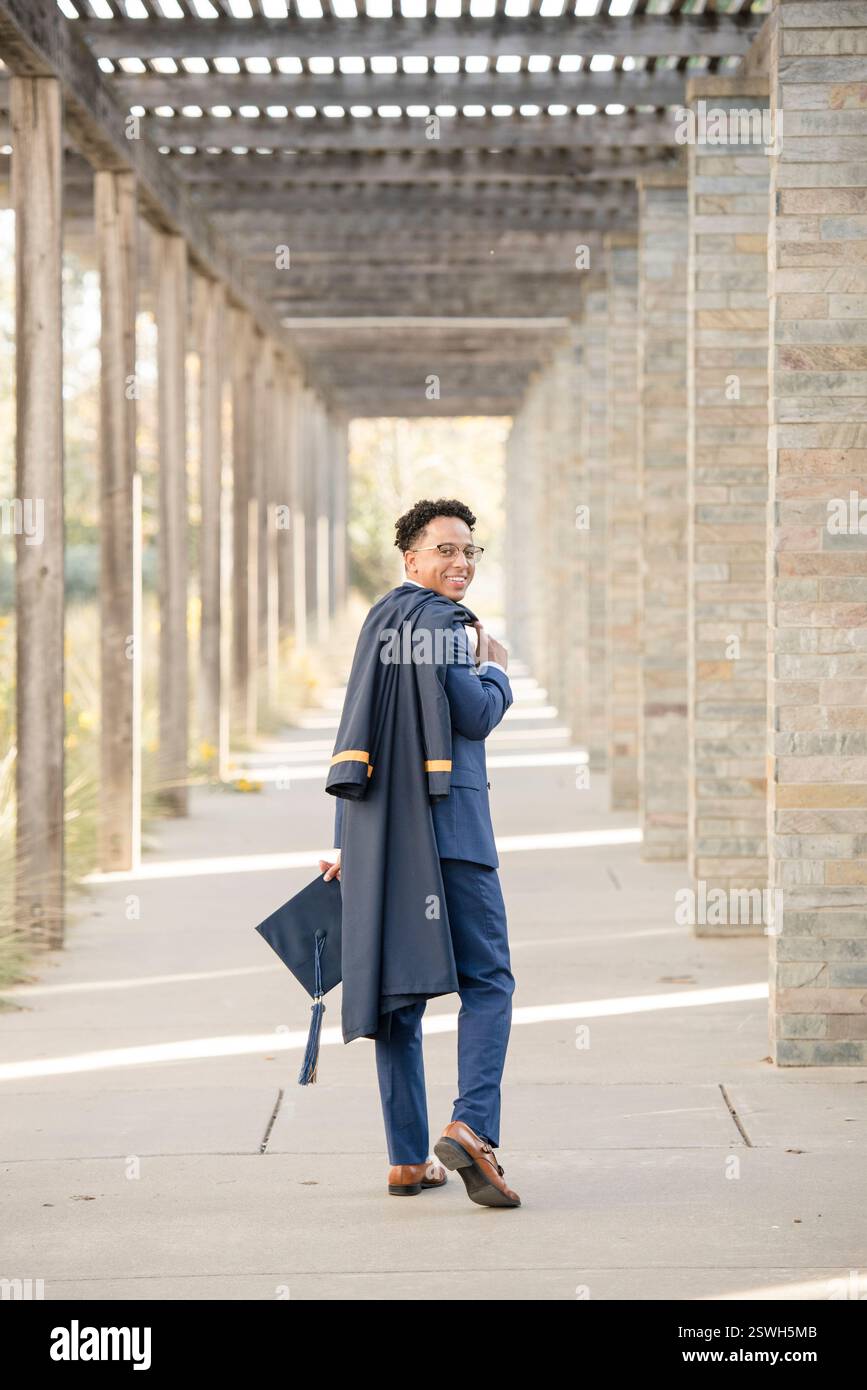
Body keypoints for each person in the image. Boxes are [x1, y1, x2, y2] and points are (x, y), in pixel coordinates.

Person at [318, 498, 520, 1208]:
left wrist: (347, 844)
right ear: (410, 559)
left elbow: (359, 731)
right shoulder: (447, 627)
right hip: (452, 832)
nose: (460, 562)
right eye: (445, 550)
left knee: (397, 994)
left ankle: (408, 1159)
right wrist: (494, 671)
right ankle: (471, 1127)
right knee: (488, 981)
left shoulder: (381, 622)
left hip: (384, 840)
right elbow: (472, 715)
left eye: (469, 551)